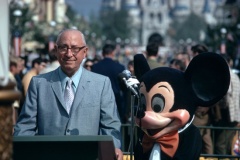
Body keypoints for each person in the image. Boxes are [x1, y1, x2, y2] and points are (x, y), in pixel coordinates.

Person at [13, 29, 123, 159]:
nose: (69, 53)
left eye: (75, 48)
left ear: (85, 52)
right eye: (64, 48)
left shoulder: (101, 84)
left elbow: (110, 125)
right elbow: (25, 127)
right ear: (56, 50)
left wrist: (113, 148)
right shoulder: (39, 84)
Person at [212, 53, 240, 155]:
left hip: (227, 115)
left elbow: (226, 94)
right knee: (228, 143)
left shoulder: (225, 74)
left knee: (220, 144)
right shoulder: (235, 76)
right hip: (235, 114)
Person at [91, 43, 127, 123]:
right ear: (113, 53)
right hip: (116, 100)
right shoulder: (119, 67)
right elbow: (123, 87)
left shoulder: (95, 67)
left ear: (103, 53)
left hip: (99, 100)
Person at [191, 44, 214, 154]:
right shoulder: (208, 68)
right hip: (203, 109)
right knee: (206, 138)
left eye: (193, 54)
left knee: (196, 138)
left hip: (200, 109)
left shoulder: (202, 69)